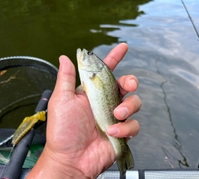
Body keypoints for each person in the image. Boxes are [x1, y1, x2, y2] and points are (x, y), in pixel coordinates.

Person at [26, 43, 142, 179]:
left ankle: (121, 151)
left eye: (90, 54)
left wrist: (61, 165)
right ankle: (121, 151)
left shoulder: (94, 75)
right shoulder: (91, 75)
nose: (85, 53)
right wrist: (61, 163)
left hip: (104, 127)